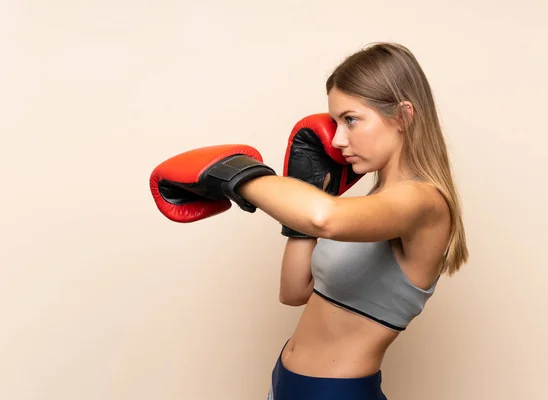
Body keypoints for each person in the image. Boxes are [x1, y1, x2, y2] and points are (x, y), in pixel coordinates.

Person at [149, 42, 469, 400]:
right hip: (288, 381)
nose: (337, 139)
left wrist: (236, 175)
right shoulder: (371, 205)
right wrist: (307, 187)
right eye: (334, 123)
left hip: (336, 392)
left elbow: (322, 217)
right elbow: (293, 292)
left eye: (351, 120)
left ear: (403, 116)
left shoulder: (423, 202)